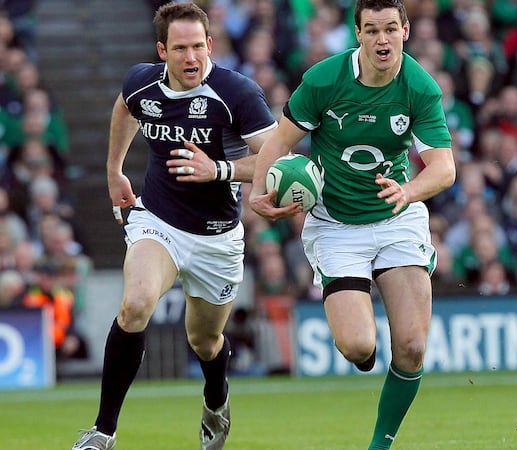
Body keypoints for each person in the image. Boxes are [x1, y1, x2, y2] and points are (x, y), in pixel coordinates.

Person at [248, 1, 455, 448]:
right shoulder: (323, 81)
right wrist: (257, 194)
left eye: (390, 30)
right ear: (357, 33)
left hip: (397, 218)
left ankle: (380, 443)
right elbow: (279, 141)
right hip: (337, 225)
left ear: (405, 30)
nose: (382, 40)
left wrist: (409, 191)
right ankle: (365, 345)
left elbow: (444, 169)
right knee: (359, 347)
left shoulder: (420, 87)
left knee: (413, 346)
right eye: (372, 30)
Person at [71, 3, 277, 450]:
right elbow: (126, 107)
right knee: (136, 304)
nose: (191, 58)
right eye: (180, 48)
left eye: (198, 47)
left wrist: (218, 169)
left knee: (204, 341)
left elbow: (275, 157)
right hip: (158, 221)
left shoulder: (237, 93)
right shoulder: (141, 81)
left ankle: (216, 397)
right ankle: (102, 431)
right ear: (162, 50)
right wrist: (114, 170)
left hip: (218, 237)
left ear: (211, 46)